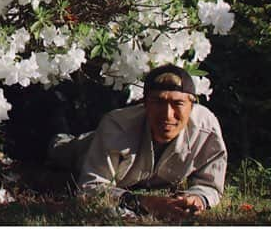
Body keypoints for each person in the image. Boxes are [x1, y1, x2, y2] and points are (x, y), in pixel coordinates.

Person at [47, 65, 227, 220]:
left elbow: (210, 185)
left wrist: (197, 199)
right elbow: (90, 188)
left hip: (132, 169)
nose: (167, 115)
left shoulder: (206, 127)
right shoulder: (116, 126)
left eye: (177, 103)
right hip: (83, 148)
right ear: (144, 104)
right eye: (158, 102)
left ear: (192, 105)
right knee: (57, 147)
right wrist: (144, 203)